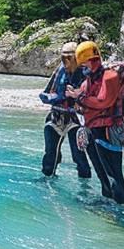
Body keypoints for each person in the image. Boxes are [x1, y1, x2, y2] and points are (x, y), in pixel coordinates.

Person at [72, 41, 124, 205]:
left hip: (108, 130)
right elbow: (83, 105)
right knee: (102, 174)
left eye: (84, 63)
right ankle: (108, 205)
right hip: (93, 130)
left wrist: (79, 97)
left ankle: (122, 211)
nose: (83, 67)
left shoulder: (109, 76)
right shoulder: (87, 81)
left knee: (114, 175)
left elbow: (104, 101)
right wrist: (78, 101)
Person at [39, 42, 92, 178]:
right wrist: (59, 96)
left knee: (79, 156)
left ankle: (84, 188)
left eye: (69, 58)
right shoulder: (60, 70)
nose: (65, 62)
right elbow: (45, 94)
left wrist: (76, 95)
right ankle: (47, 181)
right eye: (63, 58)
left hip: (76, 119)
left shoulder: (85, 72)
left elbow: (91, 97)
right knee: (51, 154)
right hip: (56, 116)